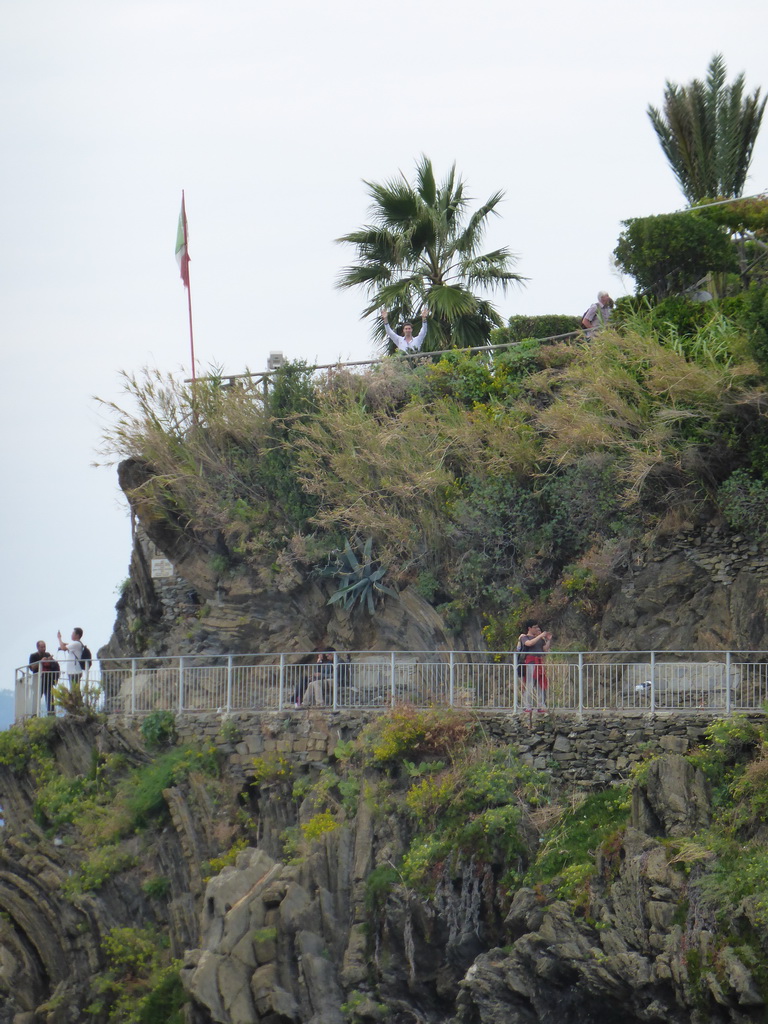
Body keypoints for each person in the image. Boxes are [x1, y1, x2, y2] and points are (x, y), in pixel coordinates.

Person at [517, 620, 552, 712]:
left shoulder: (540, 639)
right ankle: (527, 705)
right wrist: (540, 635)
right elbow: (529, 643)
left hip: (539, 662)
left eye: (537, 627)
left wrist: (548, 640)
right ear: (529, 628)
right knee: (529, 683)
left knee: (541, 684)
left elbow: (544, 649)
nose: (537, 629)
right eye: (535, 627)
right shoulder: (524, 637)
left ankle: (541, 705)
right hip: (530, 662)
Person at [28, 640, 59, 715]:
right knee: (37, 697)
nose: (44, 648)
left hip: (48, 680)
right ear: (38, 647)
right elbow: (32, 667)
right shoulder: (33, 656)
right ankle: (34, 715)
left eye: (44, 646)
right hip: (38, 680)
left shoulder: (47, 654)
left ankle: (51, 714)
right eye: (42, 647)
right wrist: (41, 662)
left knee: (50, 698)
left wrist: (50, 660)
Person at [57, 627, 86, 694]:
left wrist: (59, 638)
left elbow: (63, 648)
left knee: (75, 691)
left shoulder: (76, 643)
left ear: (77, 635)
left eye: (73, 633)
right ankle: (76, 703)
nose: (71, 635)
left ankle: (77, 703)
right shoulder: (77, 644)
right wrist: (63, 643)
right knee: (74, 690)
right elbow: (65, 645)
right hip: (73, 671)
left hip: (74, 671)